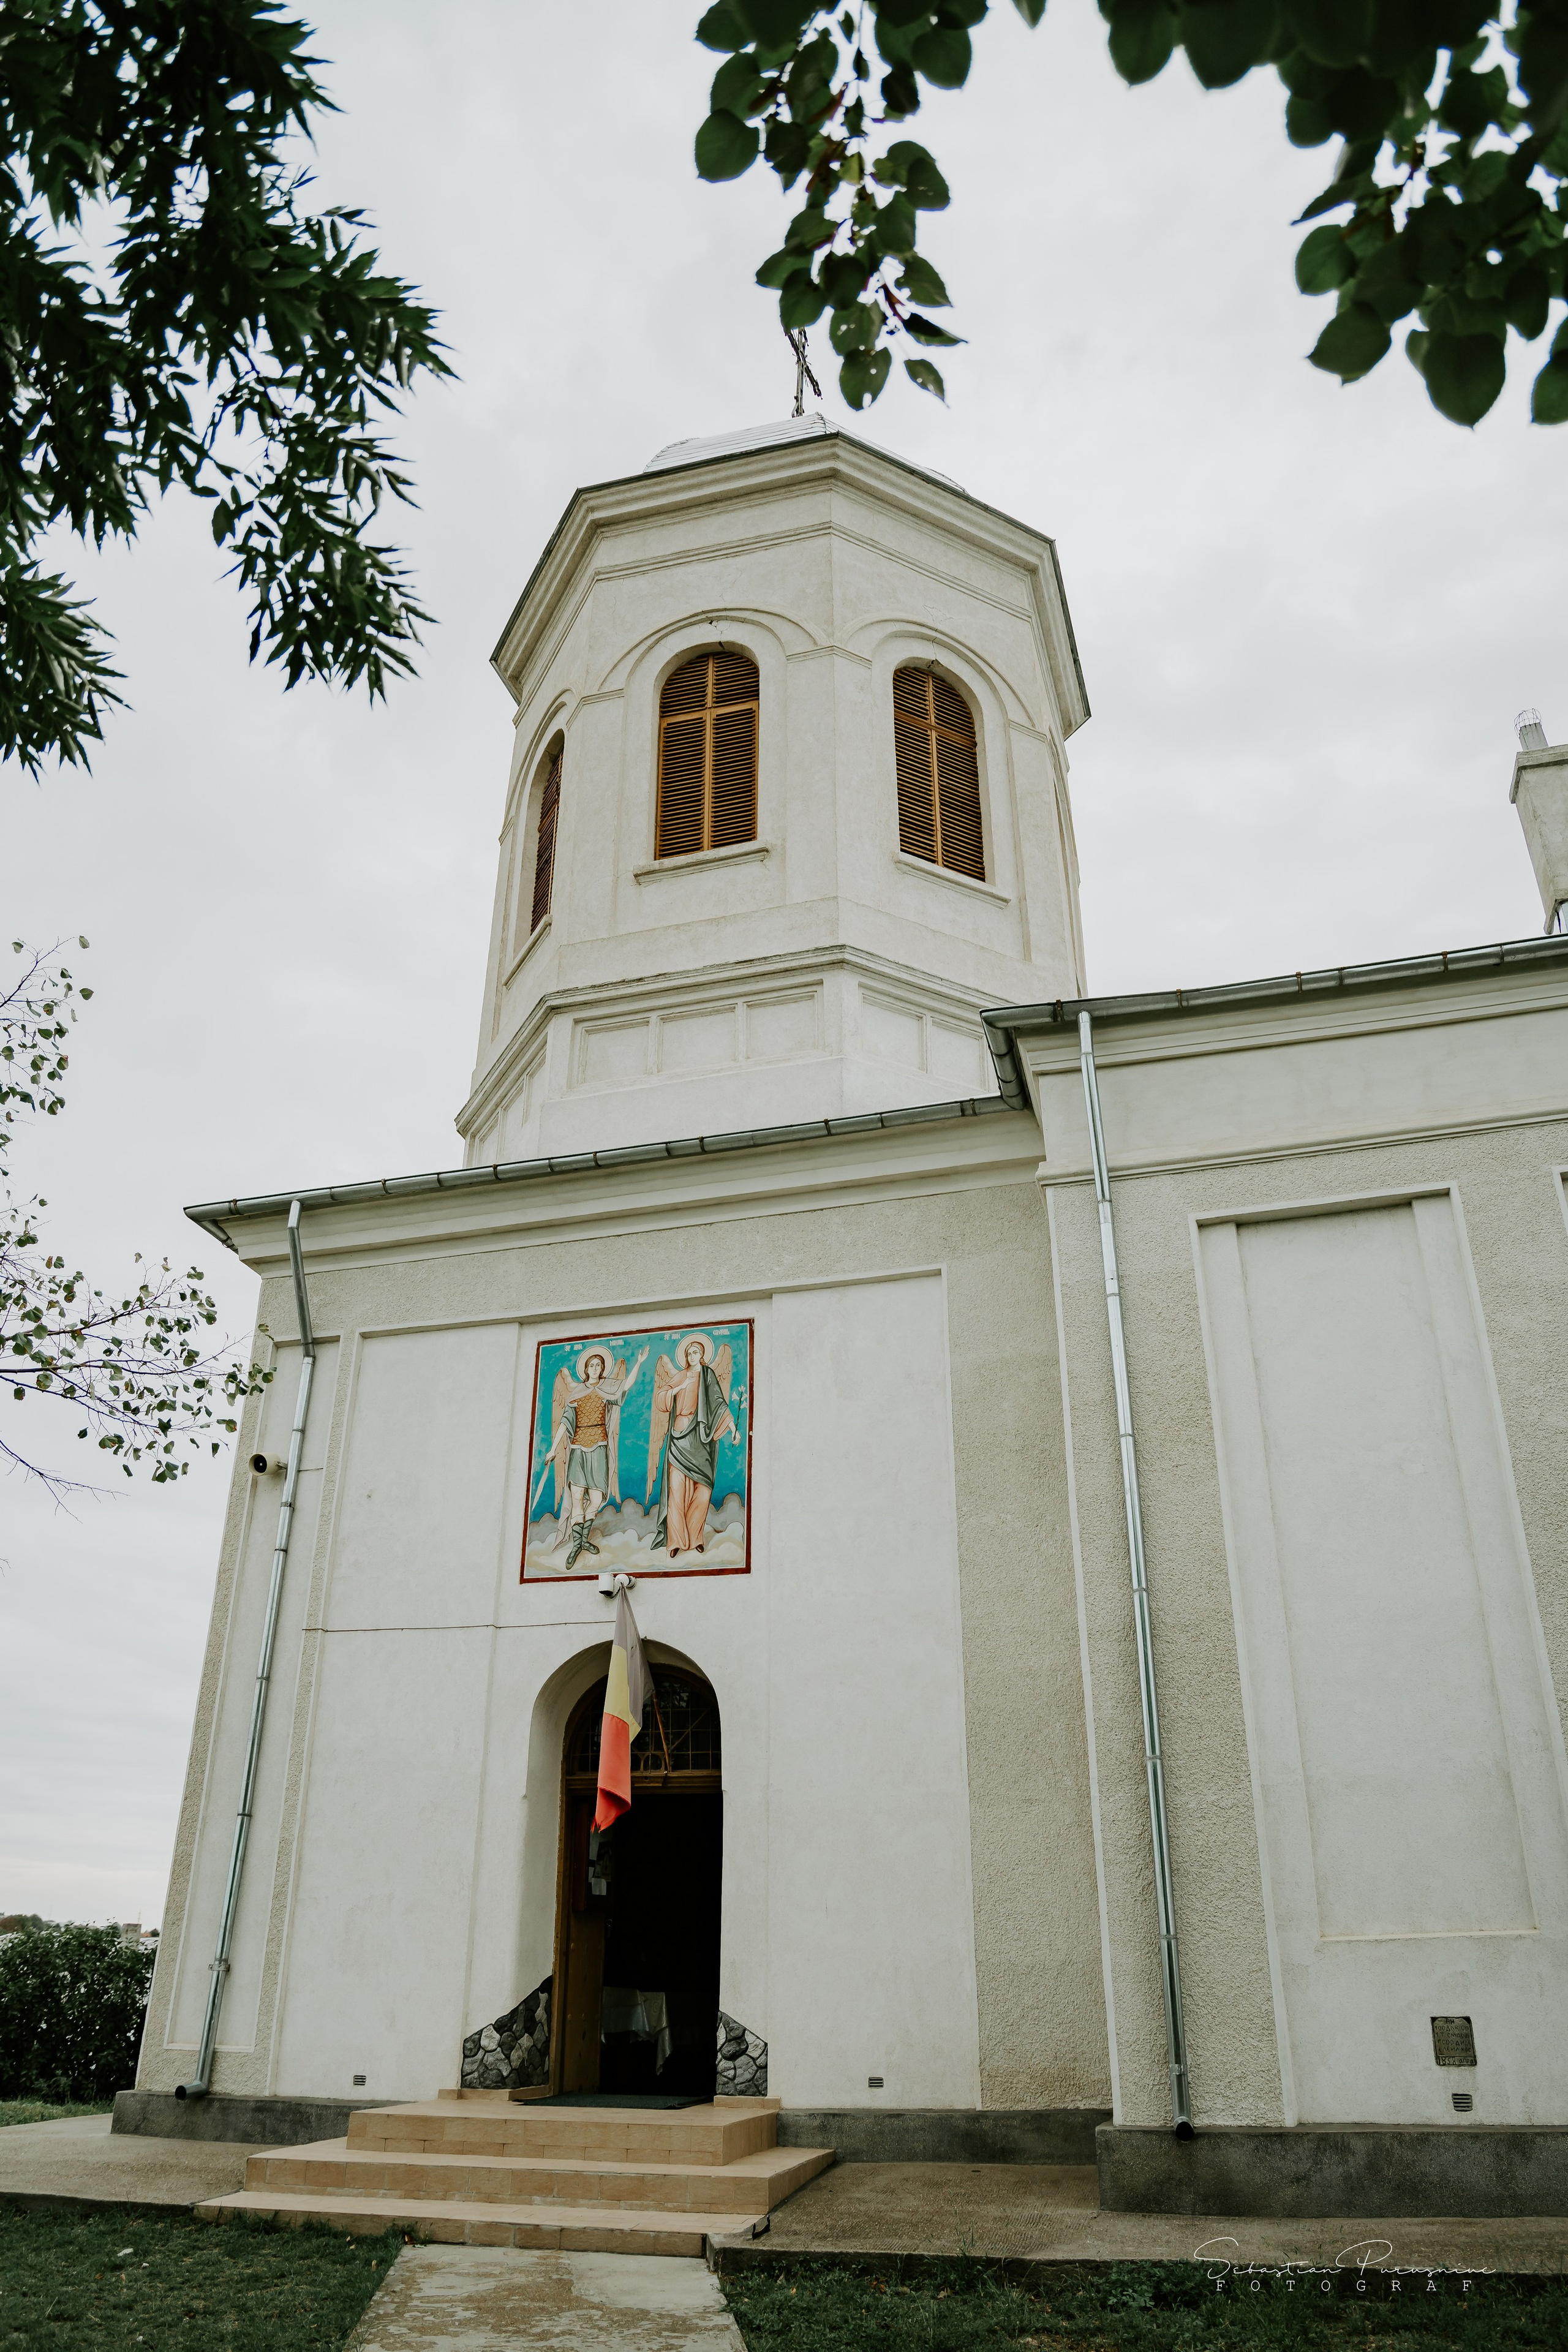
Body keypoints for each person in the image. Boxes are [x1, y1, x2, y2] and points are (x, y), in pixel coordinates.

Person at [543, 1344, 647, 1570]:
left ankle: (581, 1538)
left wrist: (638, 1363)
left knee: (598, 1498)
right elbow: (565, 1422)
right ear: (586, 1369)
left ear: (602, 1369)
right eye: (591, 1365)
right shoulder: (577, 1394)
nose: (595, 1368)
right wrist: (553, 1449)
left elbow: (625, 1386)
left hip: (599, 1447)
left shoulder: (607, 1389)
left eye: (599, 1365)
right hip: (579, 1448)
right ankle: (578, 1545)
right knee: (578, 1497)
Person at [647, 1335, 736, 1558]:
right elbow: (661, 1399)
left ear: (702, 1354)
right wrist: (679, 1388)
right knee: (676, 1490)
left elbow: (719, 1404)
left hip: (701, 1438)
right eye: (688, 1353)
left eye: (695, 1352)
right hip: (679, 1436)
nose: (692, 1356)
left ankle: (696, 1537)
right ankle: (676, 1540)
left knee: (704, 1491)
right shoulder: (680, 1376)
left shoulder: (708, 1375)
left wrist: (734, 1429)